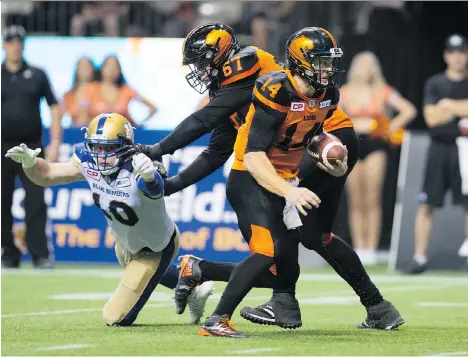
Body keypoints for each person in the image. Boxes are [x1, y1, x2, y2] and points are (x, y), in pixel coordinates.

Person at [174, 28, 404, 336]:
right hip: (258, 173)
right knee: (276, 253)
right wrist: (289, 189)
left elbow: (310, 137)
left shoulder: (324, 92)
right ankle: (244, 309)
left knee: (294, 248)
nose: (327, 69)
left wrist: (331, 166)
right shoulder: (269, 89)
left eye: (328, 62)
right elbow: (244, 154)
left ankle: (264, 298)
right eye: (320, 62)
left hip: (294, 166)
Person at [5, 112, 213, 326]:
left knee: (116, 317)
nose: (102, 155)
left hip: (155, 247)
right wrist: (30, 164)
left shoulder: (139, 164)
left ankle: (189, 287)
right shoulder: (88, 160)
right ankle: (191, 288)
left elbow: (154, 191)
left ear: (126, 146)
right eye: (98, 147)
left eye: (110, 147)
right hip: (125, 241)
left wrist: (151, 177)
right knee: (140, 272)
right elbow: (47, 174)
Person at [339, 51, 416, 265]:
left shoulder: (383, 91)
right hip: (352, 146)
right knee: (355, 199)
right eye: (362, 65)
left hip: (375, 146)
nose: (366, 70)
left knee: (372, 198)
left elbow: (409, 110)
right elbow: (331, 116)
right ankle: (359, 247)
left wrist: (390, 127)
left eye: (370, 65)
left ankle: (371, 249)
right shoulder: (345, 93)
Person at [1, 25, 62, 269]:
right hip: (3, 146)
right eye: (11, 40)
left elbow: (54, 107)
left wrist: (55, 141)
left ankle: (40, 253)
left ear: (23, 45)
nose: (15, 45)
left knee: (36, 200)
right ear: (5, 44)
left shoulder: (37, 74)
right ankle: (8, 252)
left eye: (19, 41)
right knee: (2, 201)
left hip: (32, 147)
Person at [407, 34, 468, 274]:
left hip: (465, 147)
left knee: (467, 203)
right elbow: (431, 118)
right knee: (427, 202)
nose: (457, 57)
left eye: (462, 52)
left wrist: (449, 106)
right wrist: (460, 109)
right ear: (446, 55)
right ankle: (419, 257)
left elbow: (444, 111)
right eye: (453, 52)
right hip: (439, 148)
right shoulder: (434, 83)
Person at [79, 55, 157, 126]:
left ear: (119, 70)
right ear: (102, 68)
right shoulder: (90, 89)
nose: (111, 70)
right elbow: (82, 118)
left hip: (122, 137)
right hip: (96, 137)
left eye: (115, 67)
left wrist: (138, 126)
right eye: (108, 66)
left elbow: (153, 108)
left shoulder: (127, 90)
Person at [62, 56, 98, 127]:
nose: (84, 70)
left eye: (87, 67)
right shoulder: (68, 95)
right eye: (81, 67)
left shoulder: (99, 89)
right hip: (74, 131)